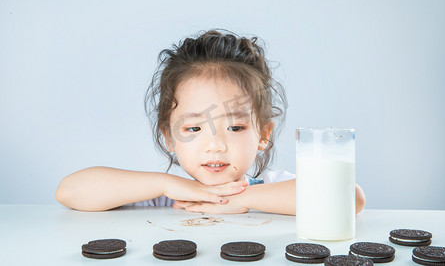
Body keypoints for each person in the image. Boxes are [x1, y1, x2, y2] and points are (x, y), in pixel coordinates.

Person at [56, 29, 366, 214]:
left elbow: (349, 197)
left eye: (235, 127)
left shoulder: (274, 186)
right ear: (169, 136)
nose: (215, 145)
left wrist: (241, 200)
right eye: (193, 129)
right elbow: (69, 191)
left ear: (263, 134)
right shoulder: (165, 196)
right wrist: (166, 183)